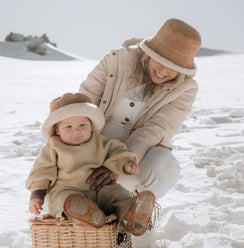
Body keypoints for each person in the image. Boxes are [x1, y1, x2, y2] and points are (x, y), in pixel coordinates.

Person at [80, 18, 202, 199]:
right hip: (91, 149)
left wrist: (119, 163)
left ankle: (133, 211)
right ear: (149, 52)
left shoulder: (185, 90)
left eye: (173, 67)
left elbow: (156, 129)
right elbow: (85, 104)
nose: (163, 71)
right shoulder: (115, 62)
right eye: (160, 60)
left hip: (133, 160)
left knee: (165, 166)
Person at [26, 92, 155, 236]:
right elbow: (42, 170)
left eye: (82, 125)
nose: (76, 131)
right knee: (63, 199)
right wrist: (37, 194)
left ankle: (131, 217)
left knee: (119, 194)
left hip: (100, 190)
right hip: (68, 189)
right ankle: (82, 215)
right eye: (68, 127)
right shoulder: (53, 147)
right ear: (57, 130)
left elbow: (118, 151)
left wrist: (125, 163)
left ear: (91, 125)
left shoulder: (100, 142)